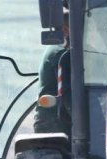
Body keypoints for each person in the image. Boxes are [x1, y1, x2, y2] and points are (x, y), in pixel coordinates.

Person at [34, 7, 71, 135]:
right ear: (66, 30)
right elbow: (68, 94)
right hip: (53, 121)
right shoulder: (61, 55)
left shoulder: (58, 50)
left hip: (58, 117)